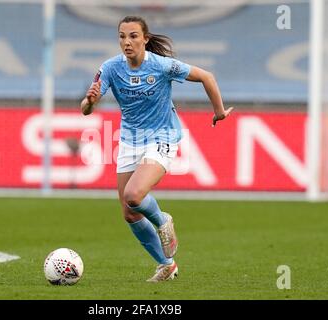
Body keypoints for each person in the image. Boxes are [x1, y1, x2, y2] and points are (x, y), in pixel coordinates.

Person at [81, 16, 233, 282]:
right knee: (129, 213)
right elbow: (86, 109)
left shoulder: (162, 66)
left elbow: (206, 76)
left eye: (133, 36)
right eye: (121, 36)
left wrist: (219, 112)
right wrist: (91, 101)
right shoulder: (110, 68)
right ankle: (167, 265)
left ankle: (163, 220)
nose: (126, 42)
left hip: (162, 137)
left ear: (145, 39)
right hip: (129, 141)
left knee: (134, 195)